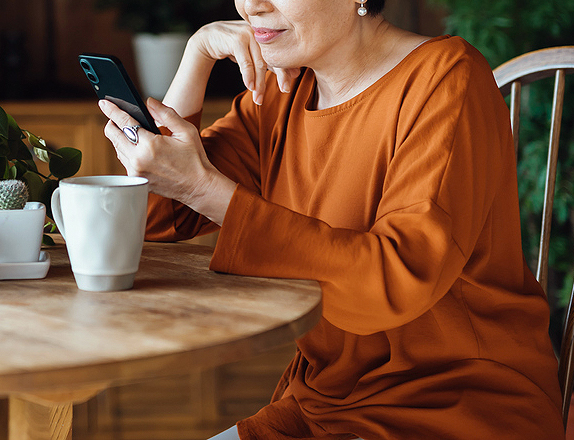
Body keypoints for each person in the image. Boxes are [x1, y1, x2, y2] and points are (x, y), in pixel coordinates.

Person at [98, 0, 565, 438]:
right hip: (325, 402)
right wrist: (197, 56)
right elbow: (154, 217)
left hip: (456, 405)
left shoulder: (447, 79)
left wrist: (203, 188)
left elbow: (395, 279)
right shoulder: (286, 89)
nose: (250, 5)